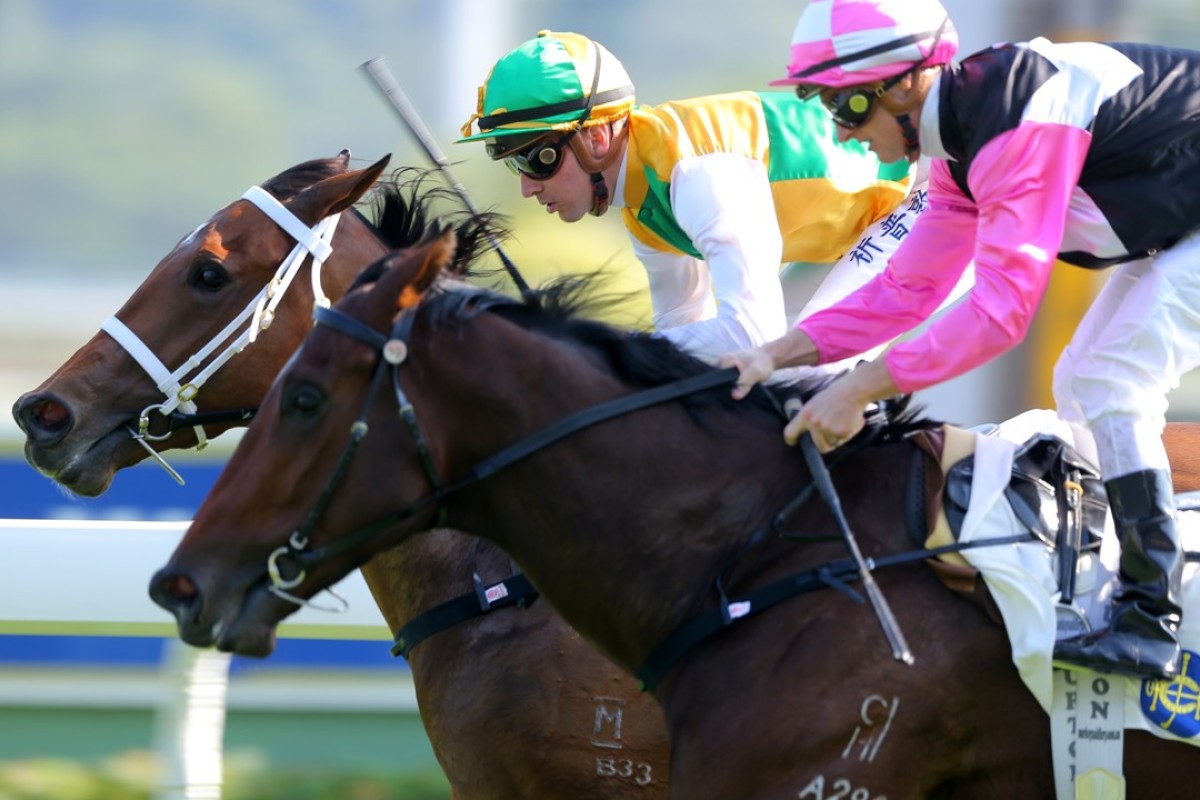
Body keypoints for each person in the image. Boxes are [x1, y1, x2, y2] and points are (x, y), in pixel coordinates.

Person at [721, 0, 1197, 680]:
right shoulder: (960, 145)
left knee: (1106, 380)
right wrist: (779, 352)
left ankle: (1151, 617)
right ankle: (1124, 580)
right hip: (1182, 222)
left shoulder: (1012, 123)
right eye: (825, 107)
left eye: (847, 108)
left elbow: (1002, 313)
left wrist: (861, 387)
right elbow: (908, 289)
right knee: (1084, 381)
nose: (842, 132)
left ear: (906, 84)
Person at [456, 29, 955, 367]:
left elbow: (749, 335)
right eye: (515, 164)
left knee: (805, 367)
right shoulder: (642, 207)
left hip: (933, 198)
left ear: (597, 138)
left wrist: (597, 352)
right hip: (856, 232)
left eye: (537, 158)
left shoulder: (698, 174)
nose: (527, 186)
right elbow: (683, 346)